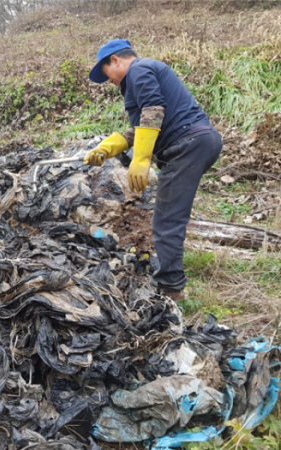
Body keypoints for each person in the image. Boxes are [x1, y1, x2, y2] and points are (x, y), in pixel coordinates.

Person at [83, 39, 222, 301]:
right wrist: (109, 146)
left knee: (167, 220)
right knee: (171, 215)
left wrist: (142, 158)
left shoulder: (139, 69)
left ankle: (171, 290)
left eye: (106, 74)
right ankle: (171, 280)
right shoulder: (142, 75)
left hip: (187, 143)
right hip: (195, 141)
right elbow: (143, 126)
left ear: (115, 60)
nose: (109, 81)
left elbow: (153, 109)